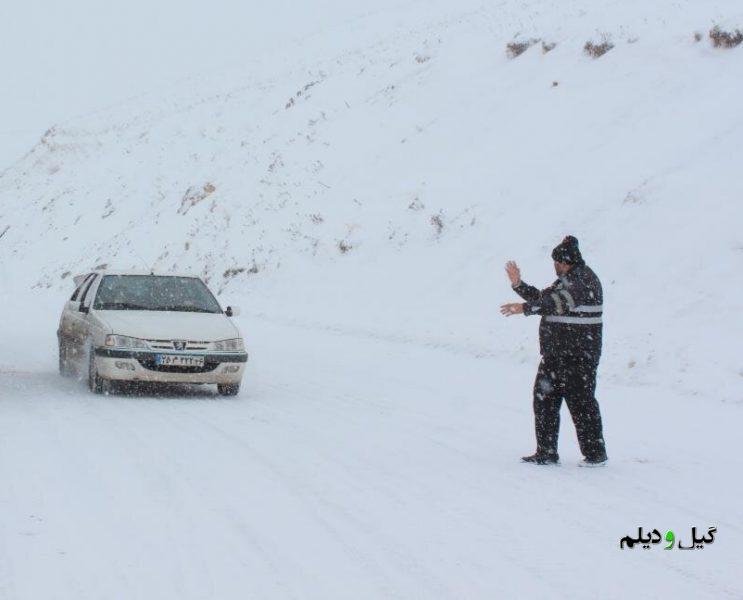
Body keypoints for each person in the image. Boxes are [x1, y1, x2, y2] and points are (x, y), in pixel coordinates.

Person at [500, 236, 608, 466]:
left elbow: (556, 303)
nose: (554, 267)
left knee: (582, 405)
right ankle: (546, 452)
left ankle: (595, 454)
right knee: (544, 401)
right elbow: (544, 299)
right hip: (556, 355)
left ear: (564, 261)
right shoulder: (568, 280)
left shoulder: (584, 281)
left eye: (556, 262)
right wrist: (519, 285)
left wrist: (524, 308)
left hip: (579, 356)